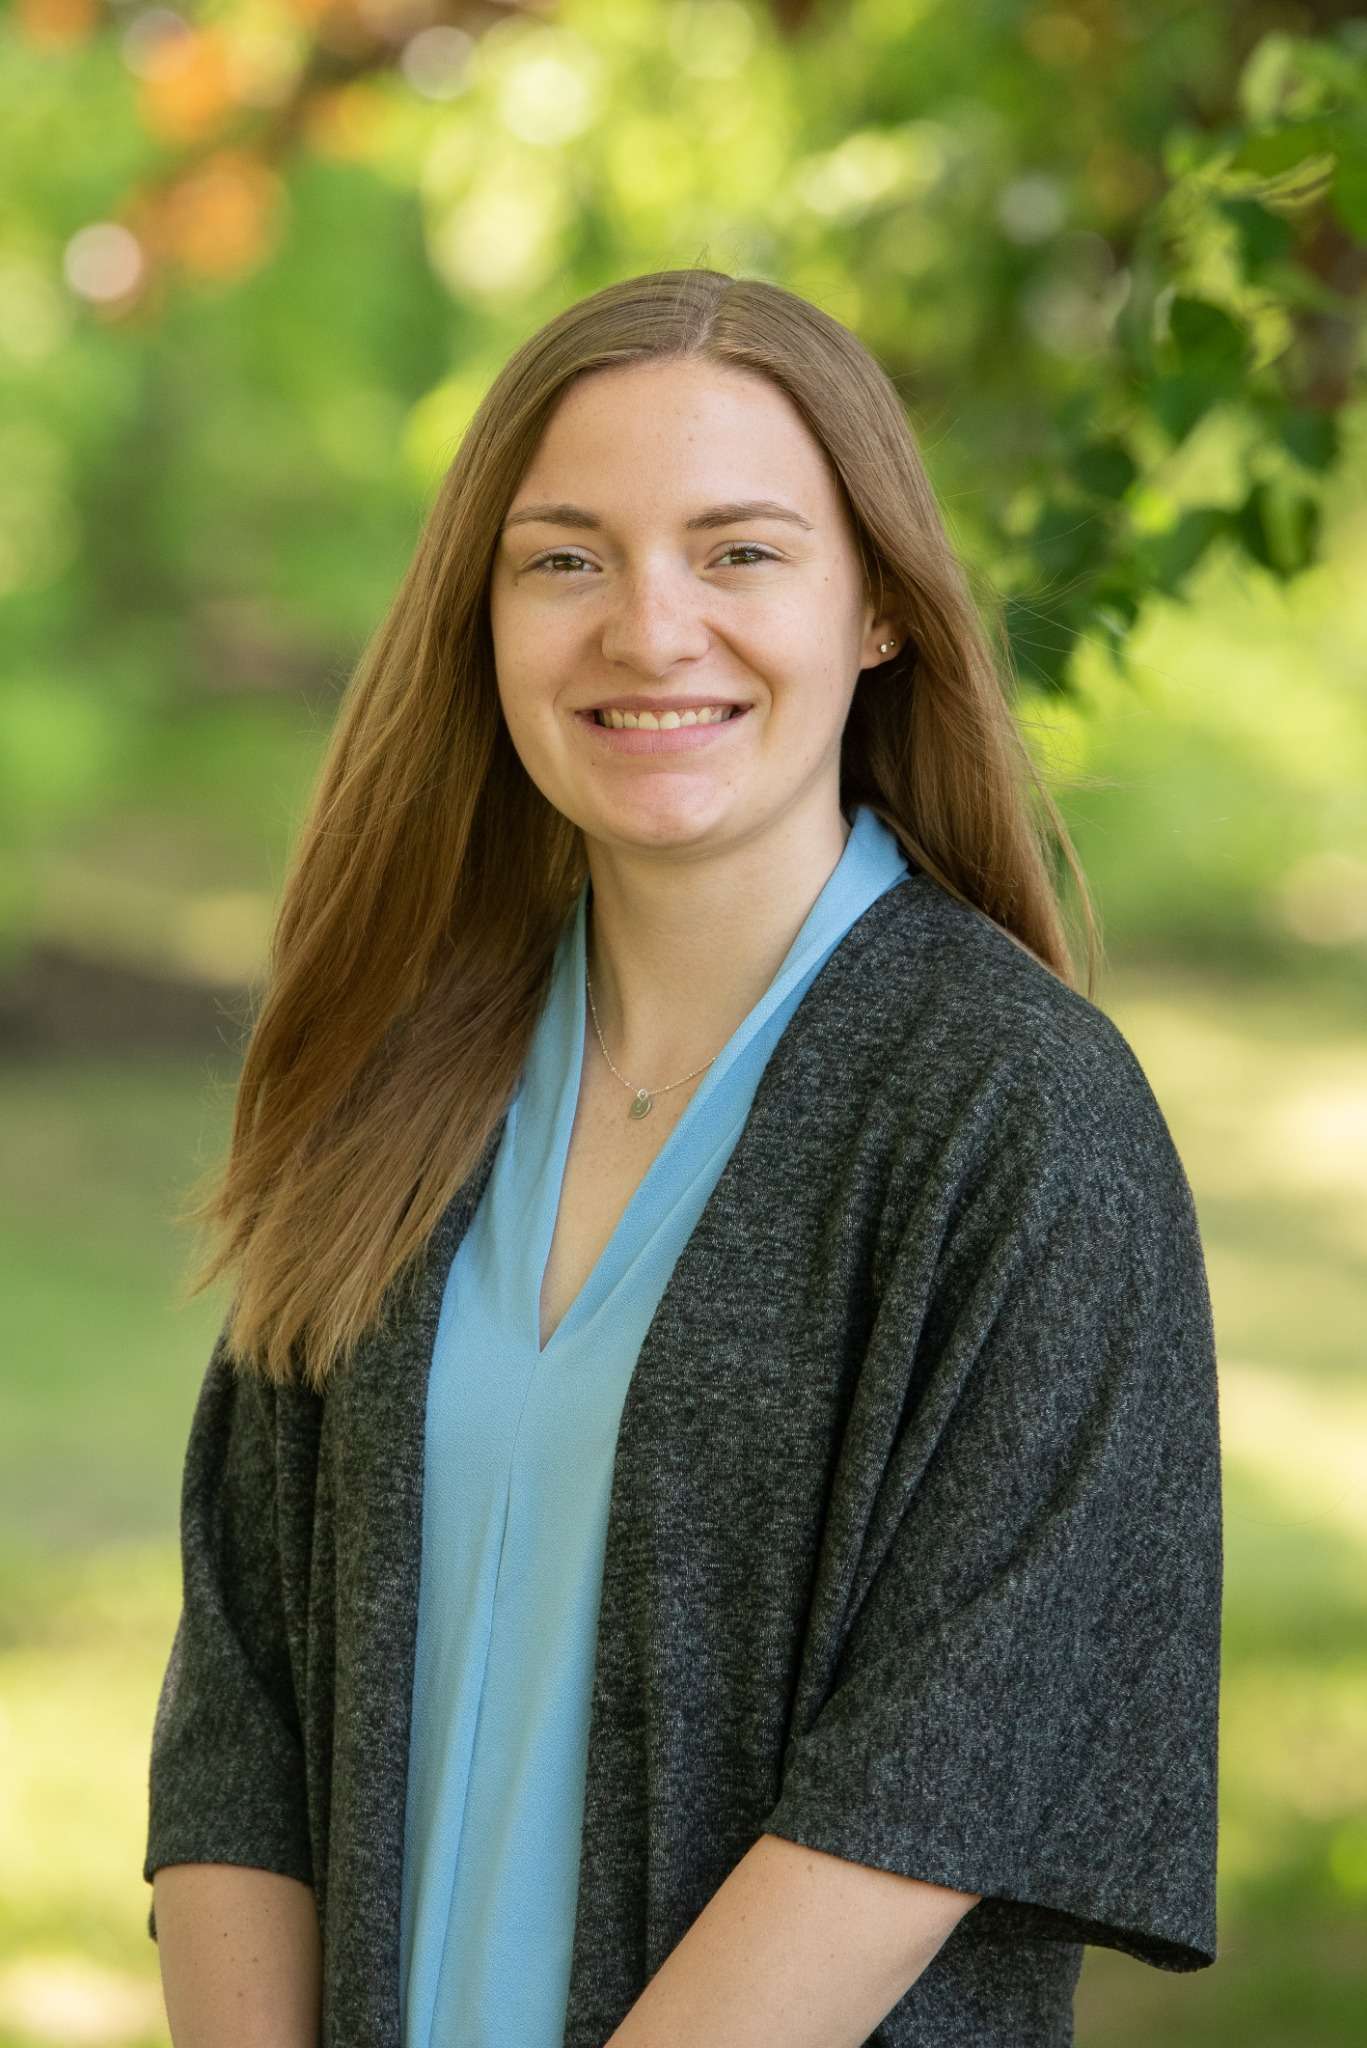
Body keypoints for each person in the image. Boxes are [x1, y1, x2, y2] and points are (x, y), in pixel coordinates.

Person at [144, 267, 1223, 2048]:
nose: (651, 631)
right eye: (566, 558)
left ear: (878, 606)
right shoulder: (400, 1084)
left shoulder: (1019, 1117)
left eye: (739, 553)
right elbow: (242, 1708)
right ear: (481, 618)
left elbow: (941, 1778)